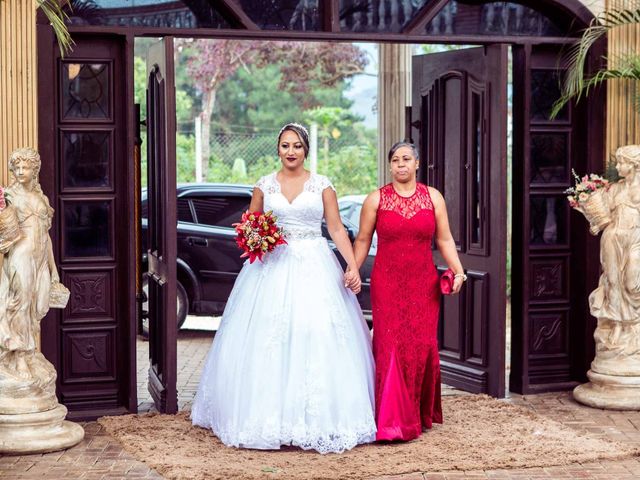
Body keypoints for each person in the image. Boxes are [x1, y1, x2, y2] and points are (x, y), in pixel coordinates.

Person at [191, 123, 376, 453]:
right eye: (285, 145)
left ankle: (316, 419)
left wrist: (351, 265)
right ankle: (268, 418)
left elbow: (335, 228)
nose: (291, 151)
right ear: (277, 148)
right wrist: (259, 240)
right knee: (266, 338)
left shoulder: (323, 186)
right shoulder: (263, 185)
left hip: (314, 264)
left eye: (297, 146)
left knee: (315, 334)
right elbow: (249, 226)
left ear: (306, 150)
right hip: (271, 268)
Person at [353, 141, 465, 442]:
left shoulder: (433, 198)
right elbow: (363, 240)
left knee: (419, 345)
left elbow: (445, 239)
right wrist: (351, 269)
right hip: (387, 283)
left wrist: (459, 269)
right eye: (395, 160)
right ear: (390, 166)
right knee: (390, 344)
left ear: (417, 163)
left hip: (423, 284)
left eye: (406, 159)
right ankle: (390, 419)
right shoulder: (375, 199)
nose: (400, 165)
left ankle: (416, 413)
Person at [0, 147, 61, 385]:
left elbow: (46, 237)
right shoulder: (8, 197)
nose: (22, 172)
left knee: (39, 305)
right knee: (21, 304)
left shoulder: (41, 198)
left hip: (39, 257)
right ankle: (19, 356)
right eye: (18, 168)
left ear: (35, 170)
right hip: (21, 255)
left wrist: (53, 270)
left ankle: (27, 350)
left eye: (27, 167)